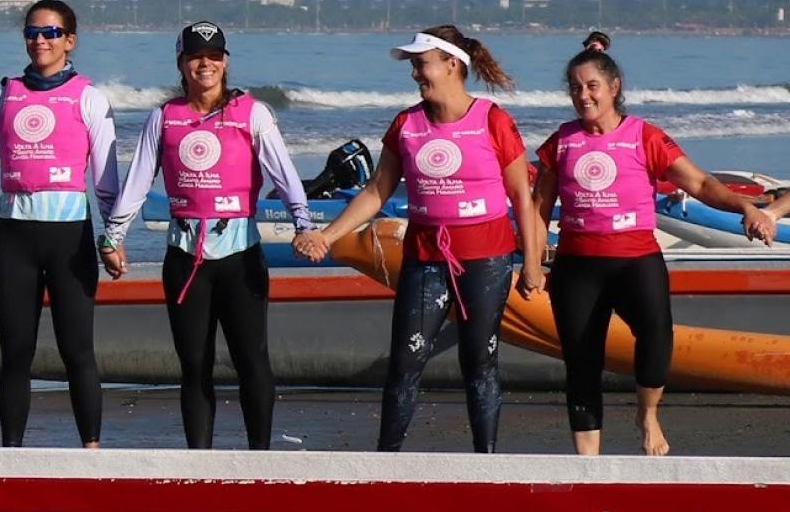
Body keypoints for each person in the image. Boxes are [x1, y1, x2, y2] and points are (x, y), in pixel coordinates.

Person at [314, 26, 545, 453]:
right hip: (424, 258)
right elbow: (376, 191)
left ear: (452, 64)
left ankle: (486, 464)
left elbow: (522, 198)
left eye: (422, 63)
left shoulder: (493, 120)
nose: (415, 72)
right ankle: (387, 462)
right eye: (415, 65)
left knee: (479, 362)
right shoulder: (406, 123)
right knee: (405, 362)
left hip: (486, 259)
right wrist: (327, 235)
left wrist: (531, 264)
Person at [533, 47, 769, 456]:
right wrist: (534, 259)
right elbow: (537, 207)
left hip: (635, 260)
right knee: (581, 362)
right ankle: (588, 463)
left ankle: (647, 415)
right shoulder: (561, 142)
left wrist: (745, 206)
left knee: (657, 337)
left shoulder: (643, 136)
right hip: (576, 267)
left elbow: (699, 184)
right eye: (575, 88)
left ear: (613, 87)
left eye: (592, 86)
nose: (583, 95)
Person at [101, 22, 323, 450]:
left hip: (240, 257)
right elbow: (138, 181)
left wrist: (304, 225)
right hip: (185, 259)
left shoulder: (252, 113)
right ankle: (198, 461)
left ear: (225, 62)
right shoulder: (164, 117)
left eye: (214, 55)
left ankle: (260, 457)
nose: (206, 63)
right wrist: (112, 237)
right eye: (195, 56)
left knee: (251, 361)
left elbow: (285, 173)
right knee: (194, 365)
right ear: (181, 64)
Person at [0, 0, 117, 448]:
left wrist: (114, 236)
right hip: (15, 237)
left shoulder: (89, 98)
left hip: (70, 238)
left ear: (70, 41)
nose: (40, 40)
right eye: (32, 32)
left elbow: (106, 180)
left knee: (77, 351)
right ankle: (11, 453)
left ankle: (92, 452)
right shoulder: (3, 96)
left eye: (51, 33)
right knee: (15, 354)